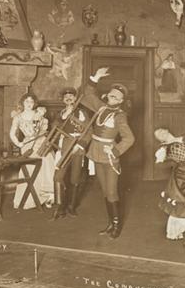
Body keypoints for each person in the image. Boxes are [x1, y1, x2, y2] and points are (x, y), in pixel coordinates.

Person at [79, 67, 135, 239]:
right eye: (111, 94)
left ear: (121, 101)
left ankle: (117, 226)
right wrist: (95, 77)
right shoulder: (101, 108)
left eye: (116, 96)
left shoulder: (120, 116)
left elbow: (130, 138)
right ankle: (111, 224)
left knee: (111, 192)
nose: (112, 97)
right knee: (105, 191)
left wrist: (115, 150)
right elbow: (88, 95)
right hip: (96, 153)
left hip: (109, 156)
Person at [50, 87, 91, 220]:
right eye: (66, 97)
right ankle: (59, 208)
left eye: (71, 96)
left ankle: (71, 207)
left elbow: (89, 131)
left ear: (75, 98)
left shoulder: (82, 112)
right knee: (58, 177)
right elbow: (54, 129)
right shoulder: (60, 114)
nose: (68, 98)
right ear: (63, 100)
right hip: (65, 147)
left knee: (75, 178)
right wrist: (64, 117)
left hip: (78, 147)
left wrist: (80, 145)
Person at [10, 93, 56, 210]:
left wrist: (40, 118)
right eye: (27, 101)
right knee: (30, 168)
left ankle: (48, 194)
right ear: (22, 103)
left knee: (46, 160)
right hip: (28, 145)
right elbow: (12, 133)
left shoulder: (39, 113)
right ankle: (31, 199)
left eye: (31, 102)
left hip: (41, 142)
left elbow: (44, 130)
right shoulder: (18, 117)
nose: (29, 104)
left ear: (34, 103)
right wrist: (18, 143)